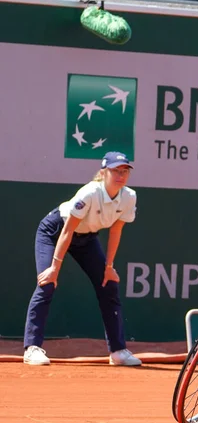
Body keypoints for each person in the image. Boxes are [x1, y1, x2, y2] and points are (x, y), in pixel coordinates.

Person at [23, 151, 142, 367]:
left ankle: (118, 351)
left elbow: (116, 231)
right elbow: (67, 231)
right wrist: (54, 268)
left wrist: (109, 266)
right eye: (116, 170)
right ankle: (32, 348)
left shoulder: (129, 197)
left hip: (86, 237)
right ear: (104, 172)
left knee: (109, 284)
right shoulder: (89, 193)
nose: (121, 175)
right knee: (47, 283)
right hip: (55, 231)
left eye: (125, 171)